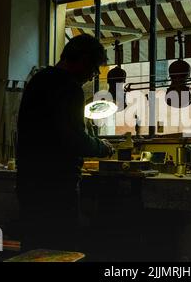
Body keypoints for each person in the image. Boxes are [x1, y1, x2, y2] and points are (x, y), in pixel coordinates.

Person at [16, 34, 114, 252]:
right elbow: (74, 139)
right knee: (60, 250)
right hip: (56, 187)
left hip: (29, 182)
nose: (94, 75)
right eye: (93, 68)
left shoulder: (39, 79)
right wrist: (102, 148)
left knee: (33, 249)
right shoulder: (69, 87)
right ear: (82, 60)